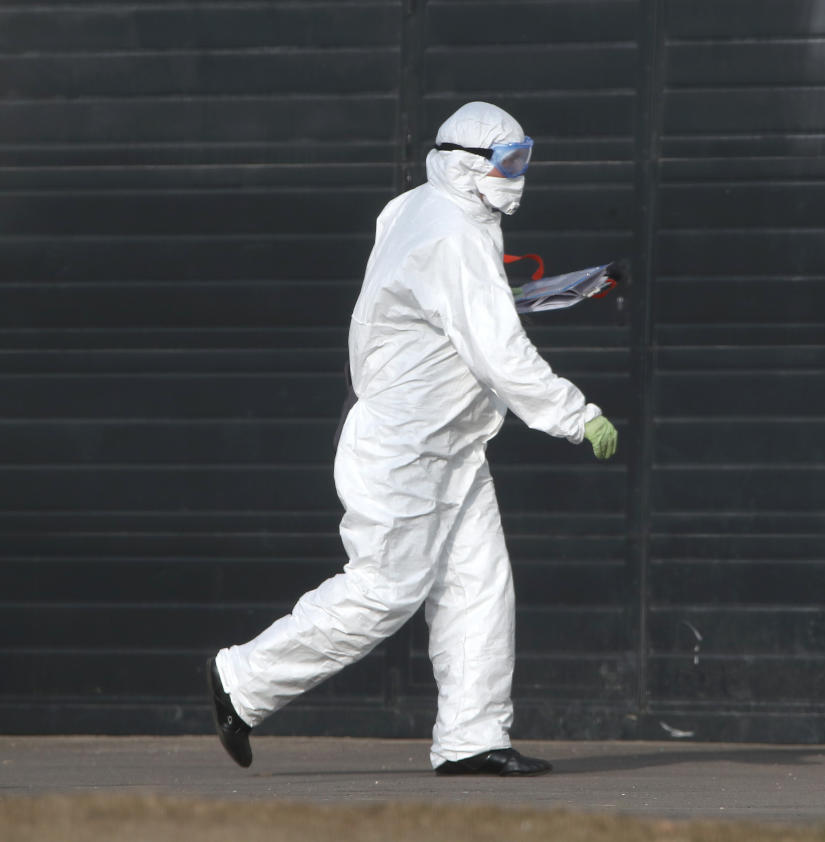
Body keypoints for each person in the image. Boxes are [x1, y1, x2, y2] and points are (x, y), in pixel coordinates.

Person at [206, 101, 619, 777]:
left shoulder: (417, 208)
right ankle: (242, 680)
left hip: (449, 443)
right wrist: (578, 414)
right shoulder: (453, 233)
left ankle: (472, 738)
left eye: (524, 160)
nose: (519, 175)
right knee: (382, 592)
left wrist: (517, 293)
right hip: (402, 450)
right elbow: (499, 352)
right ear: (466, 163)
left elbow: (439, 309)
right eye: (509, 163)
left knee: (480, 585)